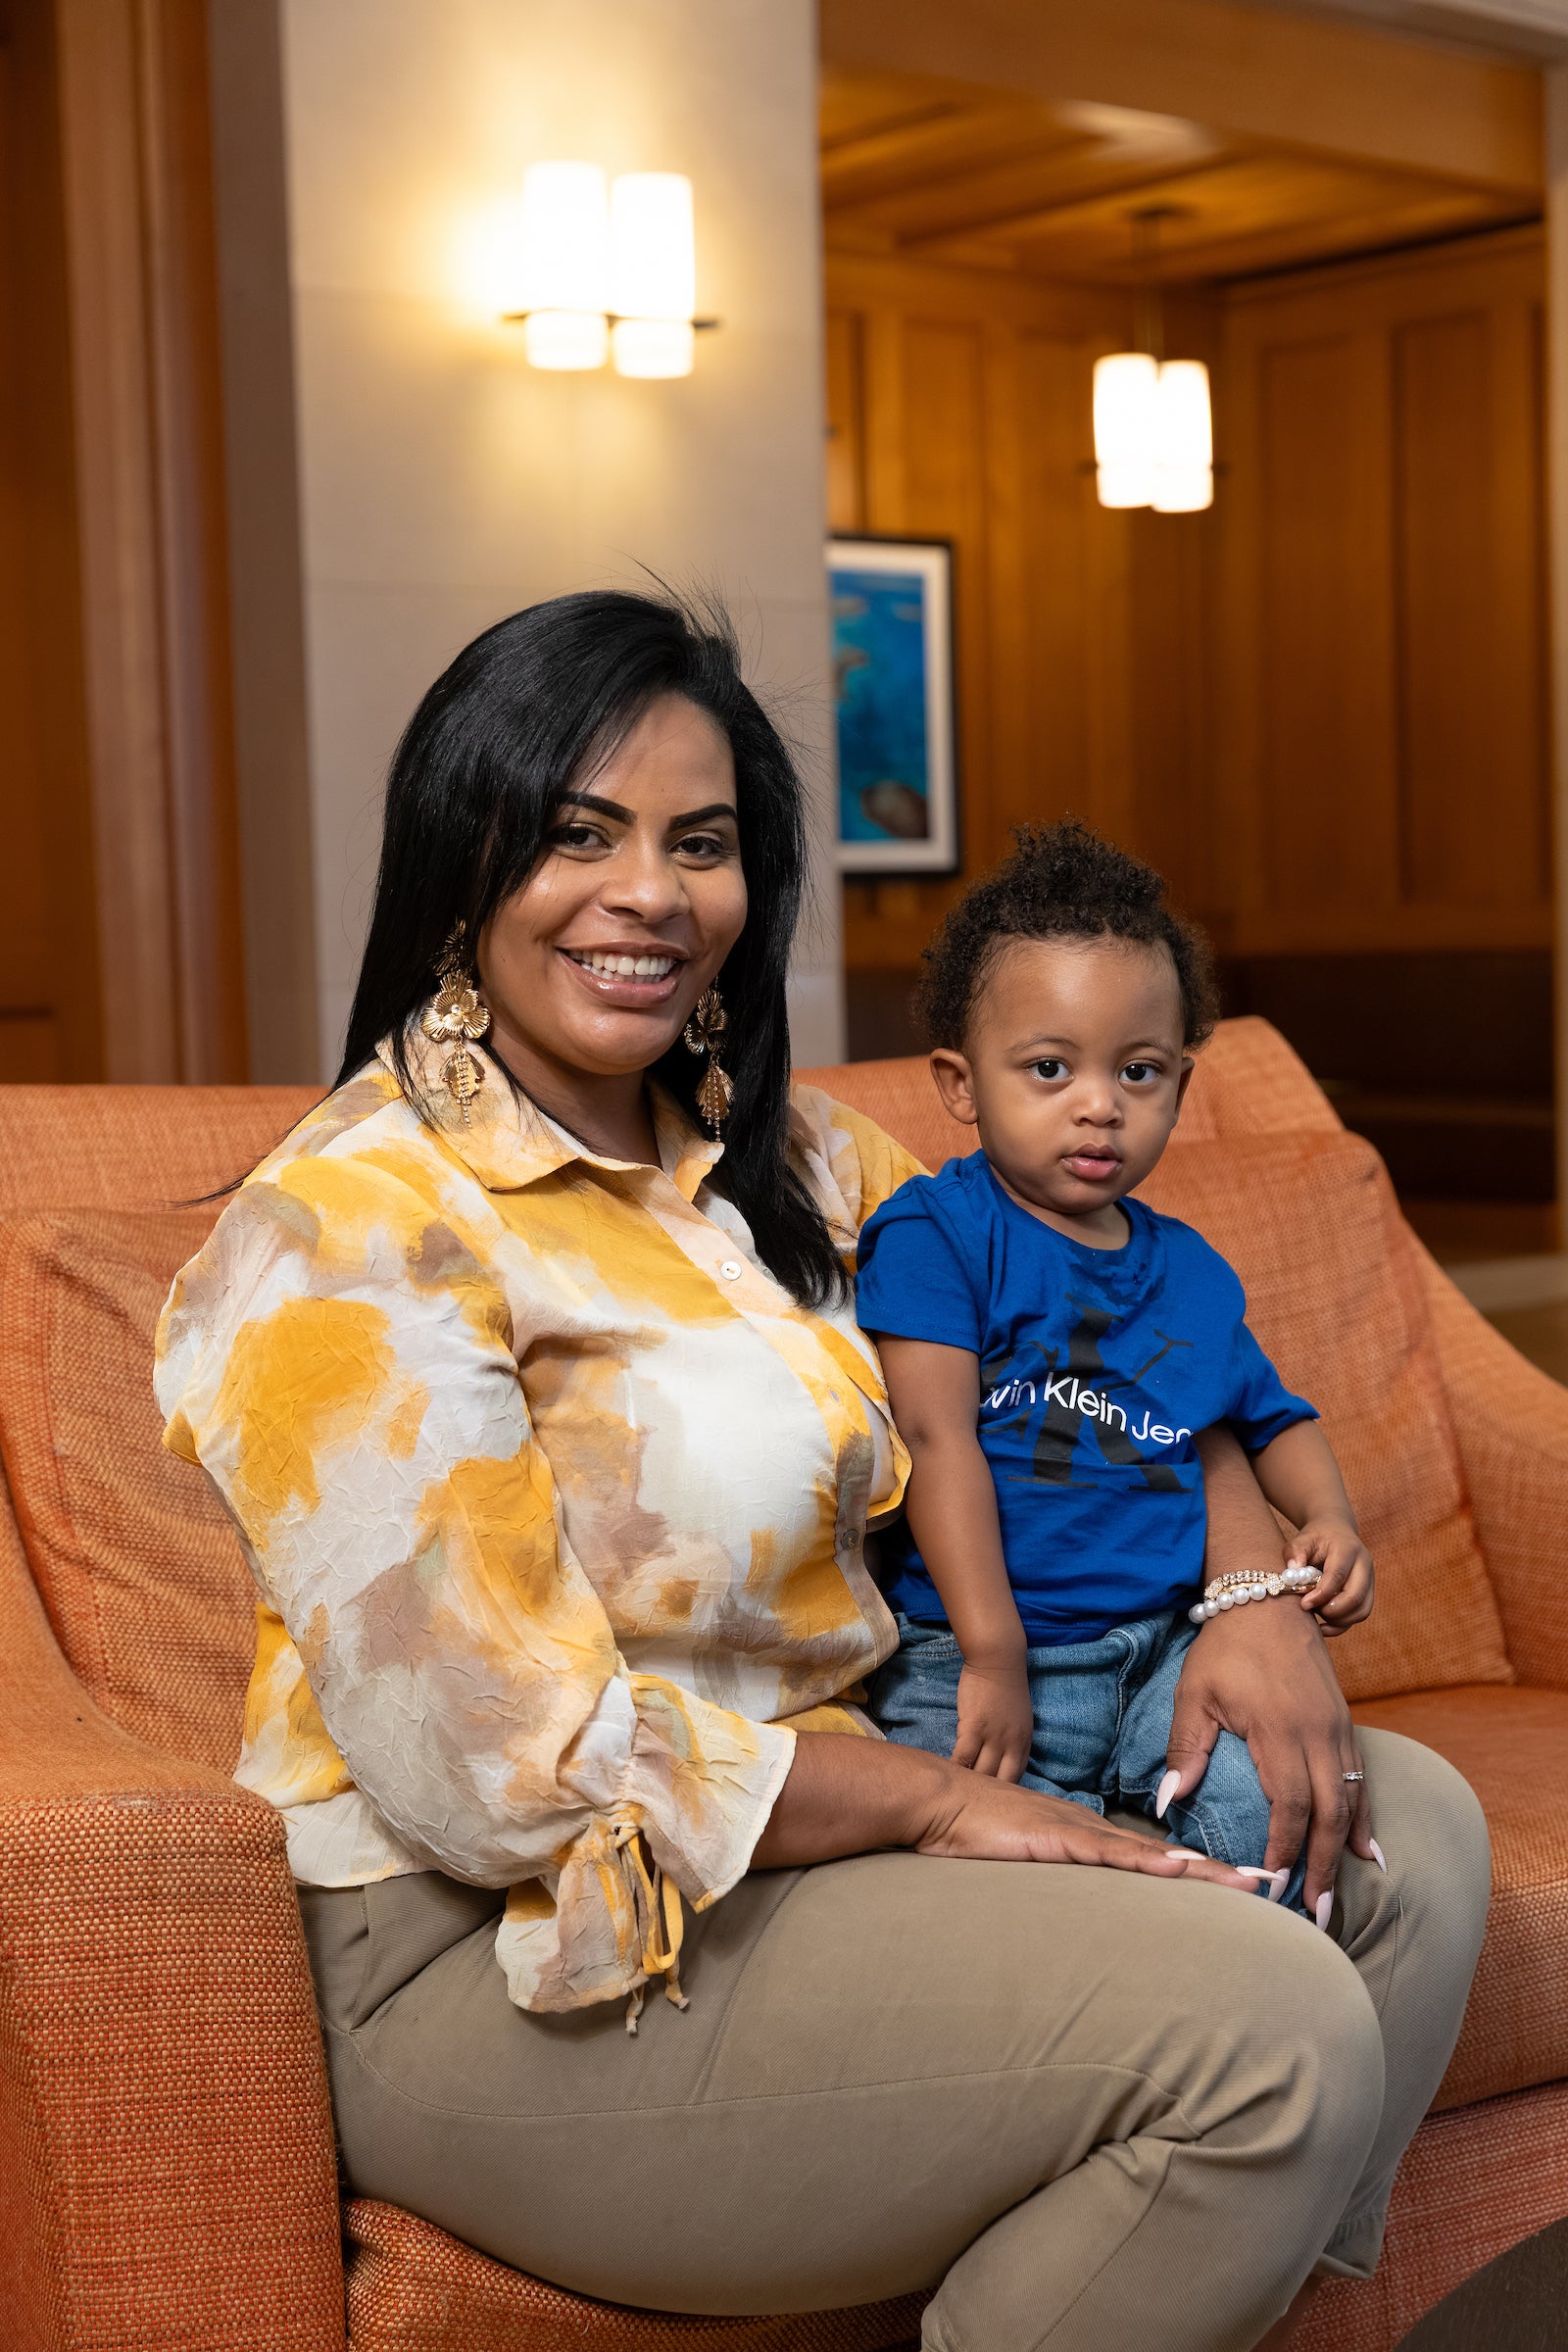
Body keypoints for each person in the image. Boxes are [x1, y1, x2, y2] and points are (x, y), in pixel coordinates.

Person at [154, 590, 1489, 2352]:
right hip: (531, 1951)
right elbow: (505, 1772)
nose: (650, 892)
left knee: (1414, 1849)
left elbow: (1091, 1334)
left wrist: (1247, 1589)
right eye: (578, 833)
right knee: (1269, 2023)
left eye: (697, 843)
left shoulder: (794, 1156)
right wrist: (946, 1805)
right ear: (461, 855)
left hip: (846, 1840)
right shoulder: (346, 1229)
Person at [859, 822, 1375, 1918]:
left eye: (1137, 1072)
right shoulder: (937, 1231)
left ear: (1180, 1084)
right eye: (1050, 1069)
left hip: (1159, 1658)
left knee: (1265, 1828)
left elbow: (1270, 1416)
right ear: (960, 1082)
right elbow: (936, 1440)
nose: (1099, 1104)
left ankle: (1256, 2007)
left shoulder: (1189, 1273)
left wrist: (1325, 1518)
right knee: (994, 1908)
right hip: (972, 1655)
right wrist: (995, 1654)